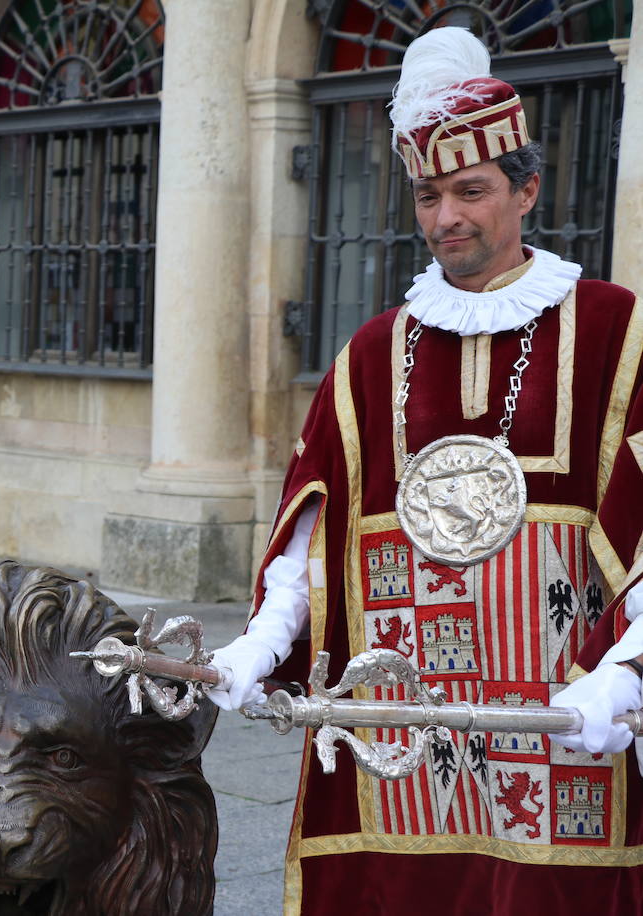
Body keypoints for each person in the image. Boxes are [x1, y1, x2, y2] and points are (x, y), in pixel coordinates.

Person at [205, 26, 643, 915]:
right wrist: (261, 642)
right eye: (429, 195)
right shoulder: (374, 352)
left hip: (563, 732)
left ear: (525, 190)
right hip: (398, 748)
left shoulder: (612, 331)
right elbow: (312, 534)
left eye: (472, 191)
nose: (448, 217)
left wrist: (629, 672)